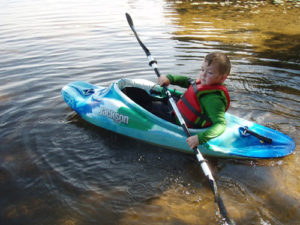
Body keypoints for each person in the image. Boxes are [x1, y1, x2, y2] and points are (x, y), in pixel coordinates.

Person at [157, 52, 231, 149]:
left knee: (148, 104)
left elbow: (221, 125)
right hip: (178, 111)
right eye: (202, 69)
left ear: (223, 77)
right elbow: (187, 81)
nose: (203, 75)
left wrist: (200, 138)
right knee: (160, 97)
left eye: (209, 72)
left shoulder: (213, 99)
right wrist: (170, 79)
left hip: (179, 122)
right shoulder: (206, 83)